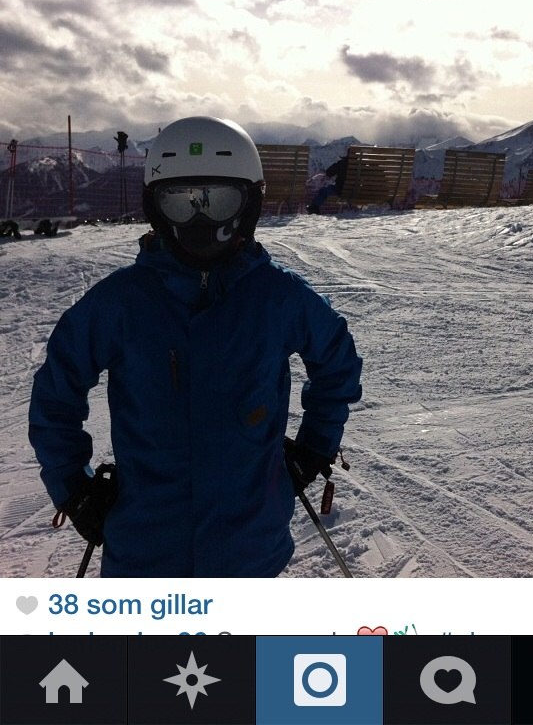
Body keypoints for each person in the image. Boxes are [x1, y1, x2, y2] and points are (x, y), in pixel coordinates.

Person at [29, 116, 362, 577]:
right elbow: (56, 391)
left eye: (219, 201)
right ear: (156, 207)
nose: (202, 222)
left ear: (248, 205)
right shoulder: (123, 302)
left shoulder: (275, 297)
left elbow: (337, 362)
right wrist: (73, 488)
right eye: (182, 203)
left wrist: (314, 449)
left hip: (248, 548)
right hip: (146, 550)